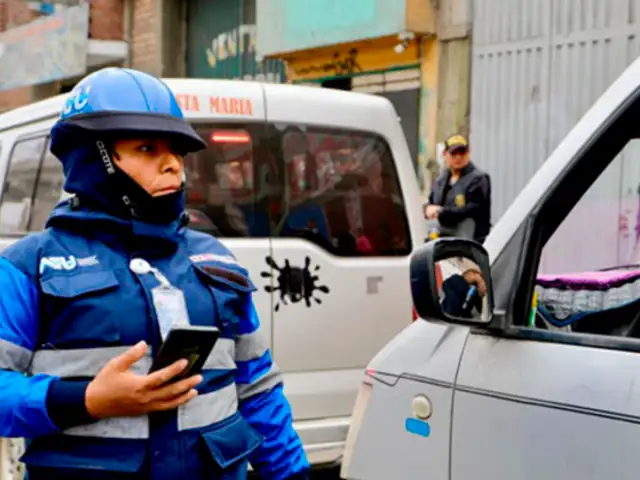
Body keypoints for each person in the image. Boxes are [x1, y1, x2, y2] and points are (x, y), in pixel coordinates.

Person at [0, 67, 309, 479]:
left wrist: (292, 474)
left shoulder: (217, 260)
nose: (172, 166)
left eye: (177, 151)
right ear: (94, 157)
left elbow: (257, 390)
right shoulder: (28, 267)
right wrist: (87, 398)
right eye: (147, 148)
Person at [424, 134, 491, 243]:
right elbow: (431, 203)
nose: (458, 157)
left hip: (470, 244)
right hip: (441, 241)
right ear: (445, 154)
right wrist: (427, 210)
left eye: (462, 152)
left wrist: (441, 211)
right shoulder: (440, 181)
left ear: (468, 152)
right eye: (453, 153)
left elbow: (471, 209)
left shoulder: (479, 179)